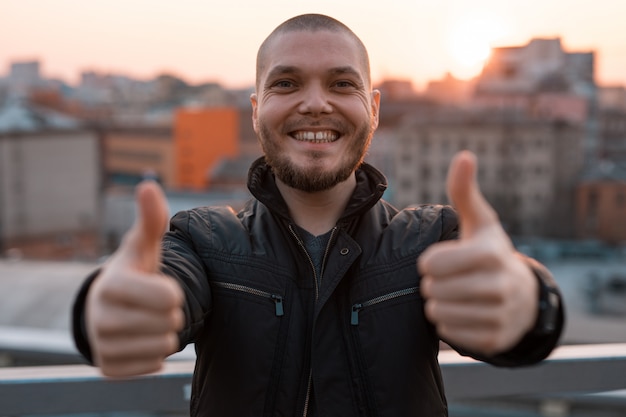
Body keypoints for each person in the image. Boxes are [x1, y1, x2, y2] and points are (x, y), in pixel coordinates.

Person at [72, 13, 564, 416]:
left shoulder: (431, 240)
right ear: (255, 108)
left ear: (372, 109)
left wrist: (528, 302)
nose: (314, 103)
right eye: (286, 83)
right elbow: (159, 283)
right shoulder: (203, 240)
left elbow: (510, 306)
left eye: (341, 83)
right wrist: (104, 308)